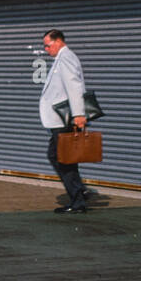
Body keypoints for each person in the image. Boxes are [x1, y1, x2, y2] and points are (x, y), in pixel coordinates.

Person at [40, 29, 92, 213]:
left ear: (58, 41)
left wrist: (78, 114)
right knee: (63, 158)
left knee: (60, 158)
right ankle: (79, 193)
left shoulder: (67, 57)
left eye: (47, 45)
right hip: (60, 120)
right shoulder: (61, 58)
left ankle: (78, 198)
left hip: (64, 120)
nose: (46, 49)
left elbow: (74, 86)